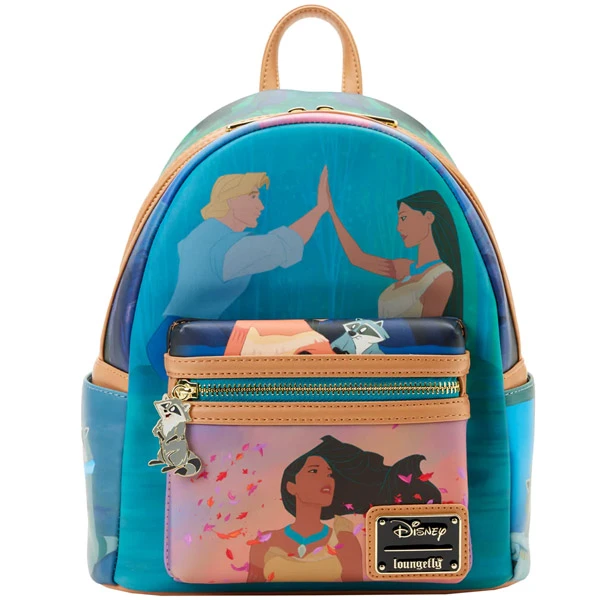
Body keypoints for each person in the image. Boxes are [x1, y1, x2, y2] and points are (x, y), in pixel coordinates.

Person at [147, 167, 330, 375]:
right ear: (230, 200)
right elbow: (282, 245)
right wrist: (319, 209)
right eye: (253, 197)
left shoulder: (204, 233)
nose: (261, 206)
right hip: (184, 351)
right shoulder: (223, 247)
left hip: (181, 340)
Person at [247, 436, 441, 583]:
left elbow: (354, 593)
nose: (326, 479)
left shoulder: (345, 542)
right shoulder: (263, 544)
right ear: (291, 486)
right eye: (313, 471)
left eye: (329, 474)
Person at [320, 169, 462, 318]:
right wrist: (331, 211)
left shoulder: (442, 277)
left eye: (403, 218)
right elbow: (357, 258)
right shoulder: (406, 268)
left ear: (428, 217)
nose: (398, 228)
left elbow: (431, 331)